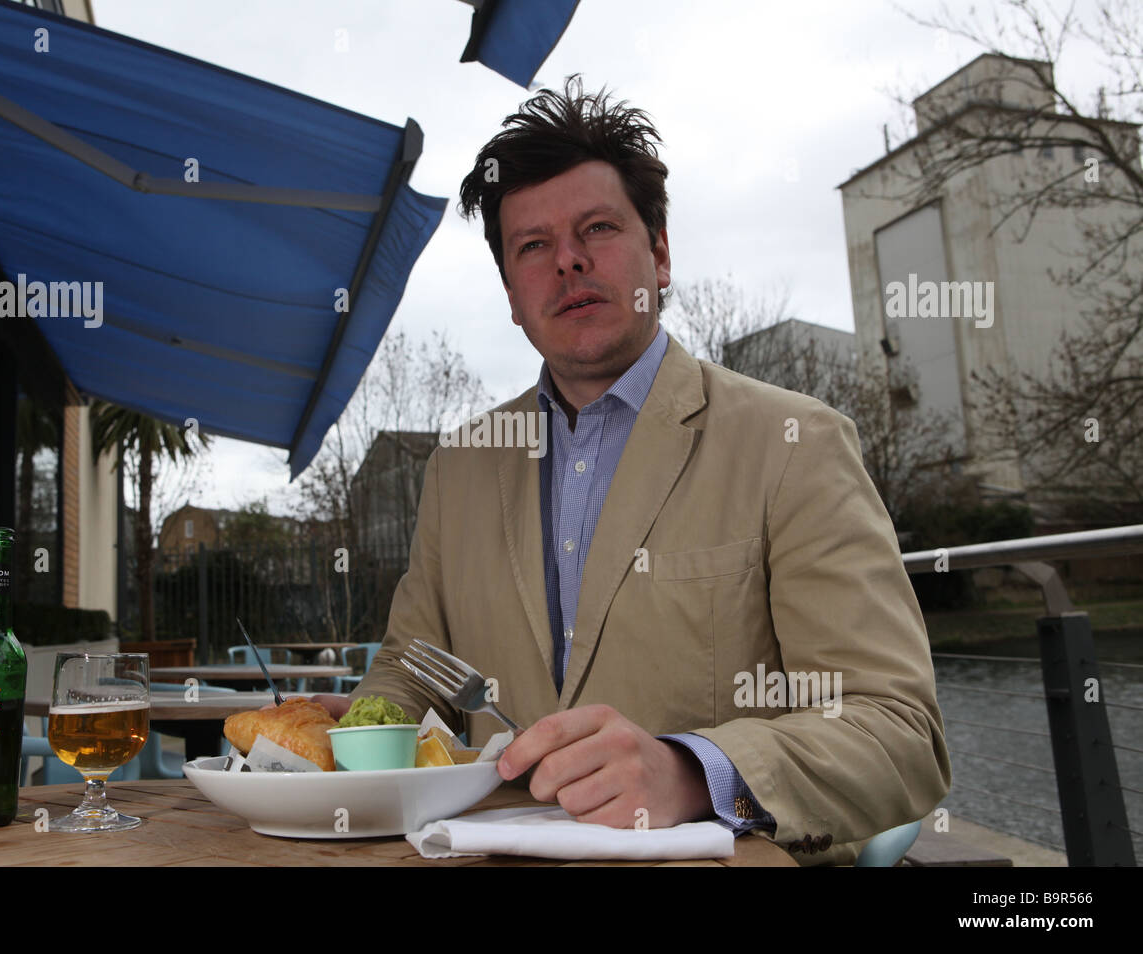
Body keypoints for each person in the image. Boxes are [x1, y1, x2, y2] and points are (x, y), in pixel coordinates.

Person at [312, 76, 950, 865]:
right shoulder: (459, 467)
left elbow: (898, 732)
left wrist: (692, 771)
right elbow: (413, 672)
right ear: (512, 295)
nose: (569, 261)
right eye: (533, 246)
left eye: (598, 228)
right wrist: (356, 726)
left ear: (660, 252)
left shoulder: (795, 444)